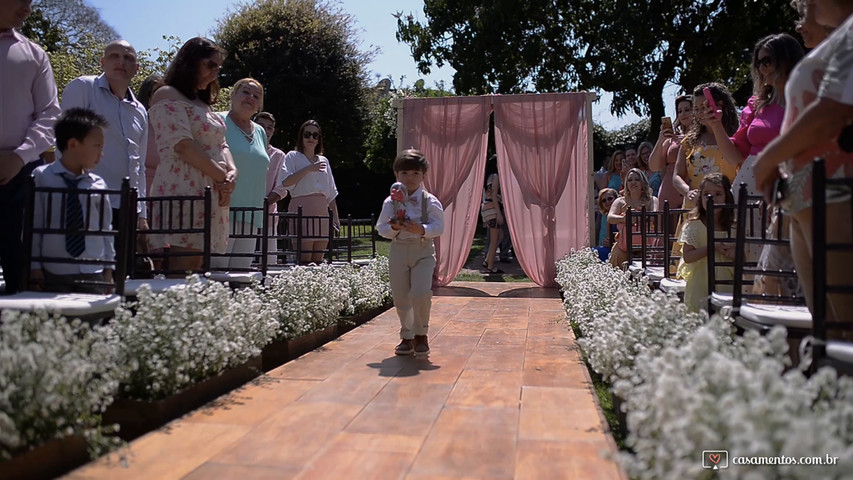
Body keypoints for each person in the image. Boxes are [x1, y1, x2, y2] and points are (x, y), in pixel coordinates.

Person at [753, 0, 853, 337]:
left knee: (845, 323)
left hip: (835, 190)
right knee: (828, 327)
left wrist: (767, 160)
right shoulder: (840, 39)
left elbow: (831, 112)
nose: (804, 7)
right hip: (807, 196)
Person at [147, 37, 236, 274]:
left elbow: (222, 143)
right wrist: (222, 177)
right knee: (182, 265)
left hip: (211, 190)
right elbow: (182, 145)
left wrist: (232, 173)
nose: (215, 73)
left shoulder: (203, 103)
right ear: (190, 62)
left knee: (197, 266)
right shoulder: (167, 94)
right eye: (210, 65)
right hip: (184, 189)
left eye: (218, 68)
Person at [0, 0, 61, 294]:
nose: (28, 9)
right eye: (21, 0)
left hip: (21, 177)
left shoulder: (35, 55)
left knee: (20, 269)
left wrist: (19, 157)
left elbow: (50, 114)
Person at [59, 40, 149, 235]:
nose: (121, 62)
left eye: (128, 58)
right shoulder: (83, 88)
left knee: (119, 265)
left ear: (137, 68)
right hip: (85, 200)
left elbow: (139, 164)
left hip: (127, 206)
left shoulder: (140, 111)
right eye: (114, 56)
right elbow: (64, 146)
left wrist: (142, 213)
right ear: (102, 62)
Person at [707, 34, 804, 204]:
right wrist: (716, 125)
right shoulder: (756, 104)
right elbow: (735, 157)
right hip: (747, 188)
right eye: (758, 63)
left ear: (786, 59)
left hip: (790, 184)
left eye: (766, 61)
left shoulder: (807, 100)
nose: (761, 69)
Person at [29, 108, 115, 294]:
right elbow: (34, 225)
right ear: (73, 144)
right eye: (97, 146)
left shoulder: (98, 184)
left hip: (92, 270)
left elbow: (106, 230)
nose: (101, 153)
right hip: (55, 270)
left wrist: (109, 268)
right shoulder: (42, 177)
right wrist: (34, 266)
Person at [376, 149, 445, 357]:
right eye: (405, 173)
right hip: (399, 251)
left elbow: (439, 227)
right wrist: (394, 228)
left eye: (415, 173)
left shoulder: (430, 201)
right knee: (401, 295)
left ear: (423, 175)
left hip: (422, 250)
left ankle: (421, 334)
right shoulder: (390, 202)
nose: (410, 178)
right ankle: (407, 336)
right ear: (397, 175)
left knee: (421, 292)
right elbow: (382, 229)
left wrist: (422, 229)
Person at [213, 78, 270, 270]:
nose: (250, 98)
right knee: (218, 273)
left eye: (256, 96)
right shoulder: (217, 120)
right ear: (233, 95)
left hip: (251, 213)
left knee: (241, 274)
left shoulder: (261, 131)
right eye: (245, 92)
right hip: (222, 209)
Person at [281, 120, 340, 264]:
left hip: (321, 211)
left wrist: (336, 218)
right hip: (302, 208)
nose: (311, 138)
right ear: (301, 137)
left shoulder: (323, 160)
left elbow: (331, 192)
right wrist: (308, 169)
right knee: (304, 258)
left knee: (319, 259)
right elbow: (285, 182)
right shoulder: (292, 156)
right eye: (307, 134)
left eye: (315, 135)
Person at [674, 83, 740, 210]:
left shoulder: (737, 136)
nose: (700, 113)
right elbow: (677, 176)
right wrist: (688, 192)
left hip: (728, 207)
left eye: (704, 107)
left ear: (720, 105)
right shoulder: (689, 141)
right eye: (697, 109)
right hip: (695, 208)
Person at [676, 173, 736, 313]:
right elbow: (688, 256)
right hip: (700, 284)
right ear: (700, 198)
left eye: (718, 194)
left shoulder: (735, 226)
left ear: (727, 197)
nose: (712, 199)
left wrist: (734, 253)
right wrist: (712, 247)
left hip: (727, 283)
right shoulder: (694, 225)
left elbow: (745, 256)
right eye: (707, 194)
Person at [254, 111, 289, 264]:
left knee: (268, 261)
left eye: (269, 128)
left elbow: (282, 187)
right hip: (244, 212)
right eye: (261, 126)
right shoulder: (245, 151)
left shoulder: (279, 155)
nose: (265, 131)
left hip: (268, 214)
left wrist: (265, 202)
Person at [607, 168, 659, 269]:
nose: (633, 182)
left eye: (637, 179)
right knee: (617, 258)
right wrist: (625, 219)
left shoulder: (652, 200)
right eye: (630, 180)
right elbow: (610, 218)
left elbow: (654, 216)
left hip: (646, 246)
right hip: (623, 247)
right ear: (626, 183)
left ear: (642, 182)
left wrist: (638, 217)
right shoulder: (620, 201)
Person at [650, 94, 692, 216]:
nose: (683, 114)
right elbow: (654, 166)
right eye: (679, 111)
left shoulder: (703, 136)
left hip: (692, 188)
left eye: (687, 110)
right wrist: (660, 139)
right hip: (669, 191)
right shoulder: (672, 139)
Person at [138, 73, 163, 194]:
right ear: (148, 98)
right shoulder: (138, 125)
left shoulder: (177, 127)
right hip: (142, 197)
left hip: (171, 200)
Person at [481, 168, 504, 273]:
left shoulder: (488, 177)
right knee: (495, 239)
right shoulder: (495, 177)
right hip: (492, 209)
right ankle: (490, 266)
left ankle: (487, 260)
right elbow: (494, 196)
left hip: (487, 208)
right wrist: (499, 213)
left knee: (500, 236)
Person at [593, 188, 618, 262]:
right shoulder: (608, 217)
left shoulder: (622, 214)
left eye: (610, 198)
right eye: (604, 200)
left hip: (621, 247)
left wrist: (611, 242)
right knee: (593, 251)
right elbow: (609, 237)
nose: (607, 202)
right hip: (612, 247)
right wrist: (607, 241)